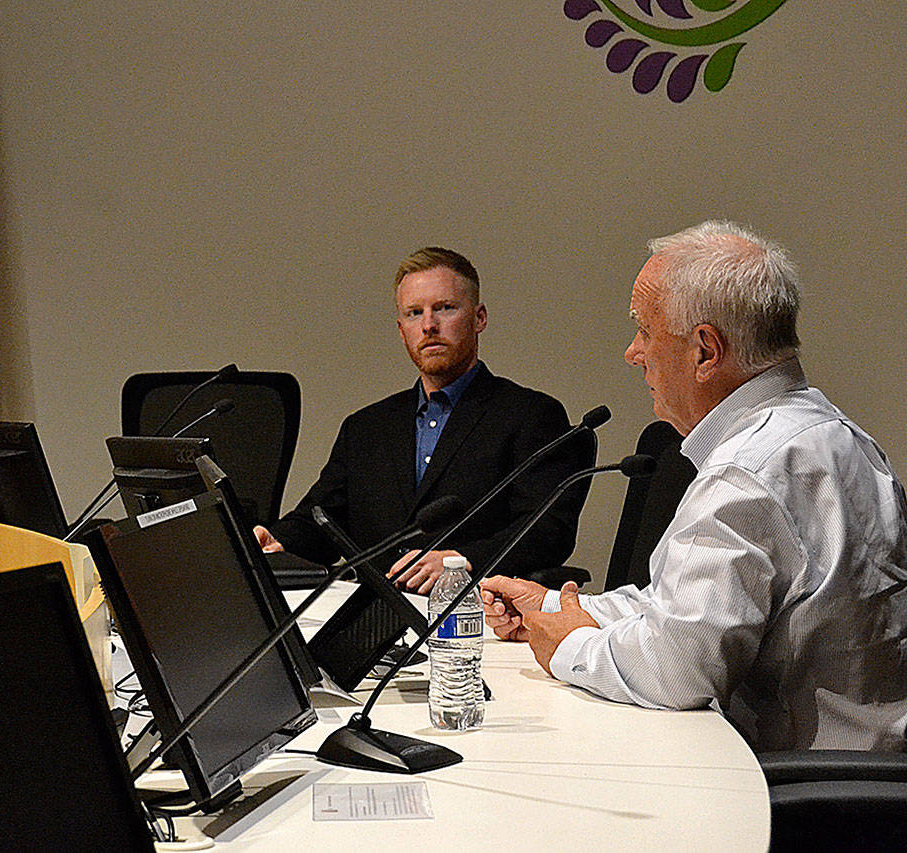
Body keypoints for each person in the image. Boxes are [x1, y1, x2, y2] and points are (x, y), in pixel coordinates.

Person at [482, 221, 907, 752]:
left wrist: (568, 645)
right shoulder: (834, 435)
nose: (633, 353)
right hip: (869, 781)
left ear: (705, 351)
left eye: (644, 329)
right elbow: (680, 608)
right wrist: (552, 609)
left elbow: (677, 670)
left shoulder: (748, 472)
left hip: (804, 798)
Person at [254, 247, 592, 594]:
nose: (429, 325)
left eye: (444, 308)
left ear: (479, 319)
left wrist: (458, 561)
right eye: (415, 313)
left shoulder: (530, 416)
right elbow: (322, 520)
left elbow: (548, 531)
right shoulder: (366, 428)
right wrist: (277, 539)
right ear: (402, 331)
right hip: (372, 614)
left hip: (473, 610)